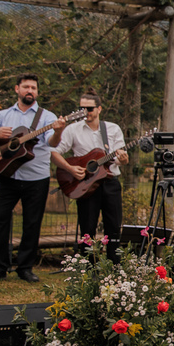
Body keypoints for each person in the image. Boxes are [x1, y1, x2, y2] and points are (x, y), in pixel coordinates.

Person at [0, 74, 67, 284]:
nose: (30, 91)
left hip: (37, 178)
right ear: (17, 89)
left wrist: (59, 131)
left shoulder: (46, 117)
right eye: (26, 87)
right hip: (8, 176)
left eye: (34, 88)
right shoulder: (4, 115)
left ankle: (25, 267)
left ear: (37, 92)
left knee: (32, 223)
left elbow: (52, 142)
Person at [50, 91, 128, 262]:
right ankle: (88, 268)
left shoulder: (113, 129)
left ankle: (114, 267)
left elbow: (121, 158)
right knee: (87, 228)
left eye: (90, 108)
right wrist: (70, 169)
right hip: (85, 185)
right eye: (82, 108)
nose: (86, 112)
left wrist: (123, 159)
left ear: (99, 109)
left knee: (113, 227)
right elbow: (54, 152)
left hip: (110, 183)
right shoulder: (73, 130)